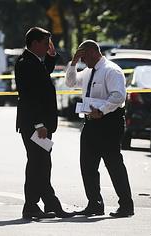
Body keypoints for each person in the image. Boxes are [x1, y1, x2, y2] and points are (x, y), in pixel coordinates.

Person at [65, 40, 134, 218]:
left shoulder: (111, 70)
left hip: (109, 122)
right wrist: (73, 63)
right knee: (87, 164)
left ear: (94, 52)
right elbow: (70, 83)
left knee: (113, 164)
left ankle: (126, 205)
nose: (83, 59)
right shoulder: (88, 71)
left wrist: (102, 111)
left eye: (84, 55)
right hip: (91, 122)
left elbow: (118, 96)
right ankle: (94, 203)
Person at [15, 27, 74, 220]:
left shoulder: (34, 61)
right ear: (34, 43)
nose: (48, 46)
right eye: (45, 43)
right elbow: (30, 96)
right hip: (35, 125)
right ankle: (39, 205)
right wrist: (39, 124)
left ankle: (44, 205)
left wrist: (51, 56)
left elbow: (43, 74)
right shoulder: (26, 63)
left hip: (39, 125)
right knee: (38, 164)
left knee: (41, 163)